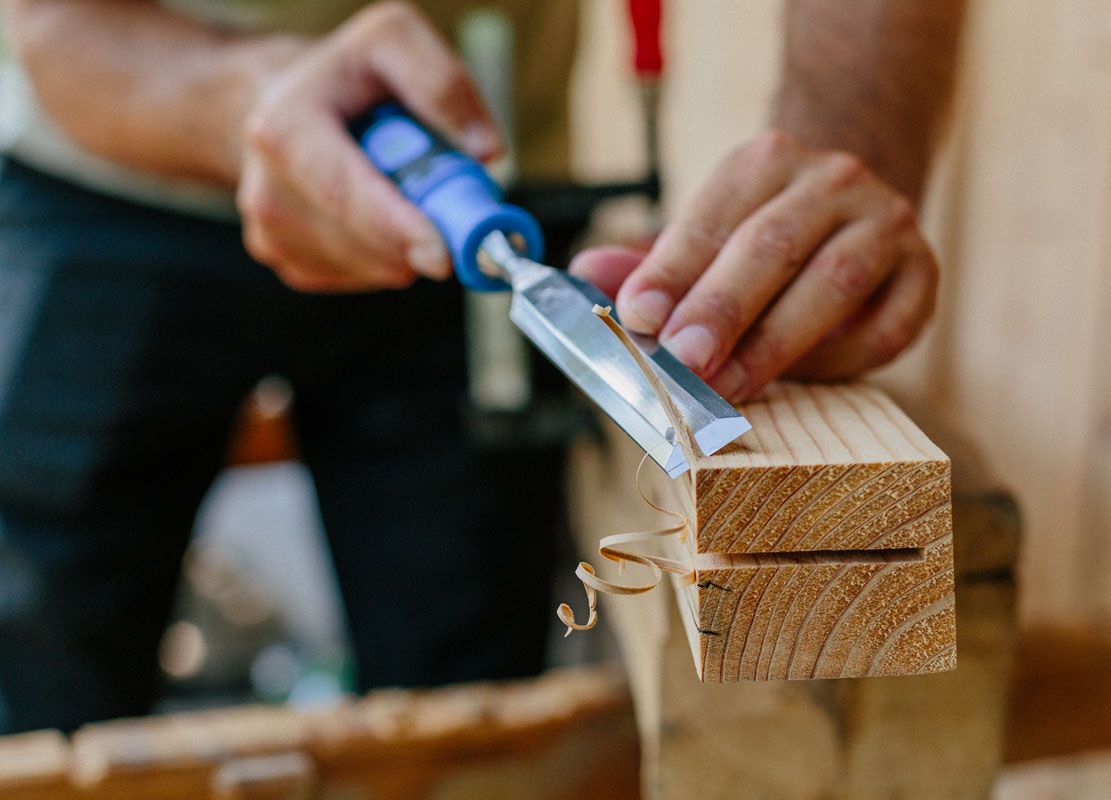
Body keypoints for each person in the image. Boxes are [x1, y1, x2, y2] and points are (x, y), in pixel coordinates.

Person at [0, 0, 963, 734]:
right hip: (107, 173)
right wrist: (243, 94)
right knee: (40, 686)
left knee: (463, 702)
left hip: (479, 186)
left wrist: (836, 189)